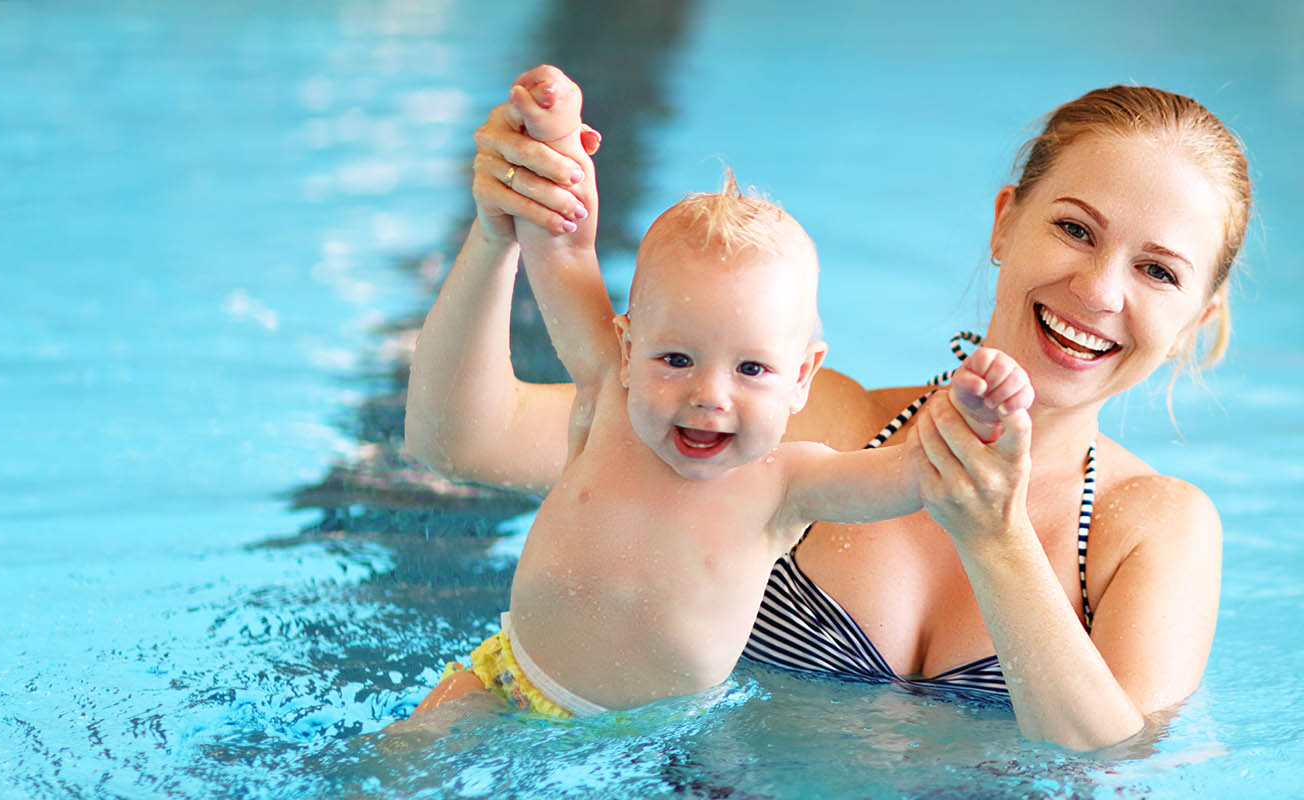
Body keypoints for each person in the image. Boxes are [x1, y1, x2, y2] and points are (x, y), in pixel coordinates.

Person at [405, 66, 1247, 750]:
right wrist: (494, 234)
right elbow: (464, 443)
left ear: (1193, 325)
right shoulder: (793, 422)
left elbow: (1119, 769)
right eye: (1076, 229)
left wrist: (994, 536)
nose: (1098, 290)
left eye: (1159, 272)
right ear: (1005, 224)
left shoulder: (1153, 530)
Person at [401, 76, 1033, 721]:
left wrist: (976, 418)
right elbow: (562, 242)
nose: (709, 396)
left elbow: (913, 474)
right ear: (626, 349)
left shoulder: (787, 484)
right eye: (675, 360)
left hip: (647, 749)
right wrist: (553, 131)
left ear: (802, 377)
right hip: (505, 684)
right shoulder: (610, 402)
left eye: (752, 368)